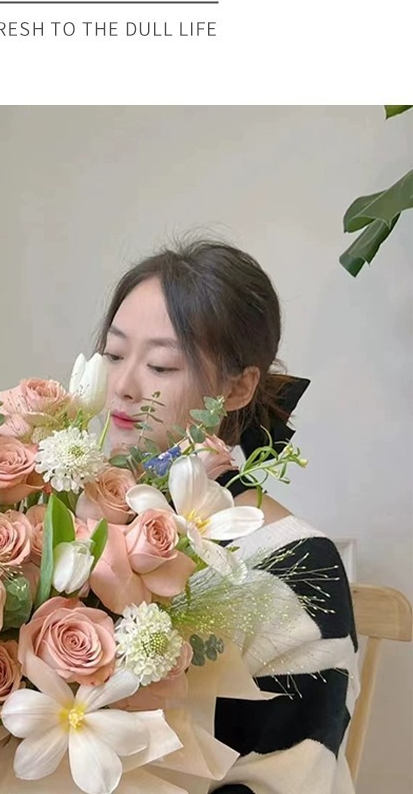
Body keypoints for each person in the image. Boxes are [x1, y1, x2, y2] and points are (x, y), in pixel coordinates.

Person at [97, 240, 358, 794]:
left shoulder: (295, 563)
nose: (123, 386)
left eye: (161, 365)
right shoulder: (64, 517)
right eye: (114, 354)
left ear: (238, 387)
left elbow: (291, 776)